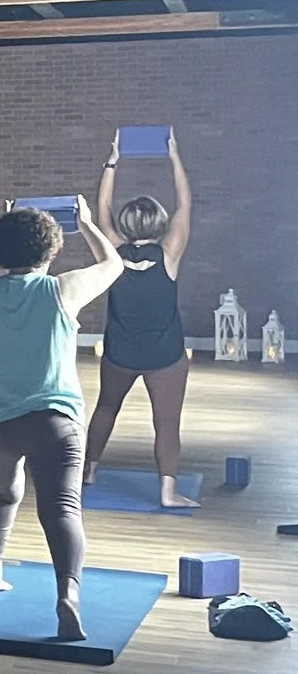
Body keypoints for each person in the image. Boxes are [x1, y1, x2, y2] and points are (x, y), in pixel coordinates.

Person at [0, 195, 127, 641]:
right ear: (51, 251)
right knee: (62, 507)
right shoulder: (62, 289)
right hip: (54, 420)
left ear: (1, 250)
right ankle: (68, 595)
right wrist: (87, 223)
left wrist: (0, 227)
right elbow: (113, 263)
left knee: (1, 493)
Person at [85, 129, 196, 506]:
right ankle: (168, 492)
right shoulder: (170, 254)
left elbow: (102, 209)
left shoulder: (114, 254)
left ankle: (89, 471)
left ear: (126, 225)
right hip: (165, 356)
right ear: (160, 225)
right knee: (167, 423)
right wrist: (173, 157)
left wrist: (112, 161)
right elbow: (185, 203)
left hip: (120, 354)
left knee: (105, 408)